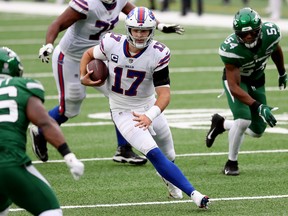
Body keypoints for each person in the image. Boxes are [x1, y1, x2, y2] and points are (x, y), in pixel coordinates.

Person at [80, 7, 209, 208]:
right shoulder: (111, 43)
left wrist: (149, 115)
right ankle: (195, 194)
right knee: (154, 153)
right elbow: (88, 54)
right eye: (136, 30)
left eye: (145, 30)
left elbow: (165, 95)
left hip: (148, 106)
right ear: (128, 29)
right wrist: (83, 77)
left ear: (152, 31)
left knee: (169, 155)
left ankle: (170, 182)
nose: (140, 35)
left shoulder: (158, 53)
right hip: (122, 111)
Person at [32, 0, 184, 166]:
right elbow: (58, 23)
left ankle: (123, 149)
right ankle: (40, 130)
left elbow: (135, 15)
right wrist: (48, 44)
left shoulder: (119, 1)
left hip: (99, 56)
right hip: (70, 57)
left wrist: (160, 26)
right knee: (70, 107)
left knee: (121, 95)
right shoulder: (86, 4)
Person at [0, 47, 84, 215]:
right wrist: (68, 155)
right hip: (8, 162)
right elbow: (45, 123)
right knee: (51, 211)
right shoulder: (21, 86)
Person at [205, 7, 286, 175]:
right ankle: (231, 162)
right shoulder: (230, 49)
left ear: (260, 29)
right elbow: (234, 87)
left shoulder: (271, 33)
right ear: (236, 34)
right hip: (236, 82)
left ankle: (221, 124)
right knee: (242, 120)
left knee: (257, 131)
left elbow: (275, 49)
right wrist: (258, 106)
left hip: (257, 79)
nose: (248, 37)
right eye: (242, 35)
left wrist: (282, 72)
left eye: (252, 33)